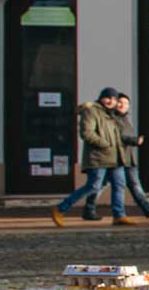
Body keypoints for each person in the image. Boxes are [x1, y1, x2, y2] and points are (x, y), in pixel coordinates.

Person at [51, 88, 127, 226]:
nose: (111, 101)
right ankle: (60, 208)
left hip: (116, 157)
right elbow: (87, 133)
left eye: (115, 99)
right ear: (101, 98)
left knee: (119, 185)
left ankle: (119, 215)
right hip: (98, 157)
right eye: (108, 98)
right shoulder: (92, 111)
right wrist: (106, 144)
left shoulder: (112, 114)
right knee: (93, 186)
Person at [111, 93, 149, 219]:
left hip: (128, 158)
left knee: (134, 184)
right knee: (98, 186)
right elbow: (117, 137)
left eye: (126, 103)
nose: (123, 105)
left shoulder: (125, 119)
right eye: (120, 102)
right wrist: (134, 141)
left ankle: (147, 209)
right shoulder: (112, 119)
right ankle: (94, 209)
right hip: (116, 159)